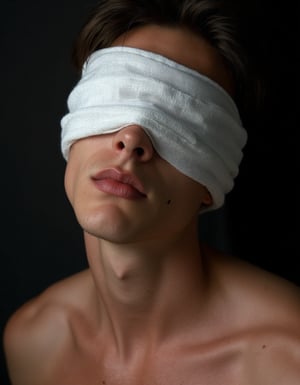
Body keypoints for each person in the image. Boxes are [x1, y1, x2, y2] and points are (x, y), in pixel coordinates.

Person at [4, 0, 300, 384]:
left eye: (181, 115)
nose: (131, 137)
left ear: (214, 177)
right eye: (115, 97)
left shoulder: (287, 359)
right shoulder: (34, 341)